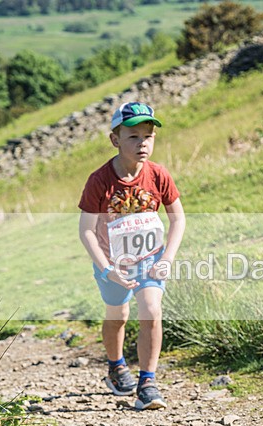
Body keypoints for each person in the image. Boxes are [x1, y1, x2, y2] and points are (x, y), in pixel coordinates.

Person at [78, 101, 186, 410]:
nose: (142, 143)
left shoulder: (158, 175)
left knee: (151, 310)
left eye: (148, 136)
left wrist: (166, 258)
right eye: (133, 136)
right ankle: (116, 365)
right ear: (115, 140)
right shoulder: (99, 180)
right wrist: (106, 268)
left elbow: (178, 218)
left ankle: (148, 381)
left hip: (149, 259)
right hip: (111, 264)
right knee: (118, 315)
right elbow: (86, 230)